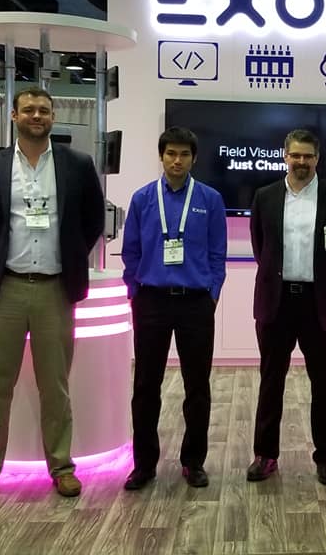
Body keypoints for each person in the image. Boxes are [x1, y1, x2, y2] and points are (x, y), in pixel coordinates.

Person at [0, 87, 106, 502]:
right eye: (28, 110)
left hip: (55, 290)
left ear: (53, 116)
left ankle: (61, 467)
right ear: (14, 116)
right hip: (5, 288)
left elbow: (93, 219)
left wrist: (72, 255)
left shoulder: (78, 165)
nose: (36, 116)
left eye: (43, 110)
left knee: (55, 387)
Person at [246, 129, 326, 485]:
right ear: (285, 156)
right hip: (275, 303)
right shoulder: (265, 197)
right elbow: (260, 247)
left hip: (318, 303)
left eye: (308, 156)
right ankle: (265, 455)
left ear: (317, 159)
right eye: (295, 155)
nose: (301, 162)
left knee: (323, 383)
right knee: (270, 381)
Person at [121, 127, 227, 491]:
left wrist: (212, 292)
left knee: (197, 386)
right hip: (151, 301)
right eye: (170, 154)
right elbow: (131, 250)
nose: (176, 160)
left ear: (194, 158)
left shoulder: (210, 199)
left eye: (183, 154)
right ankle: (144, 465)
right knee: (146, 385)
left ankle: (193, 462)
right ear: (161, 156)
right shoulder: (143, 198)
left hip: (195, 302)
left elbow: (217, 252)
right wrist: (135, 289)